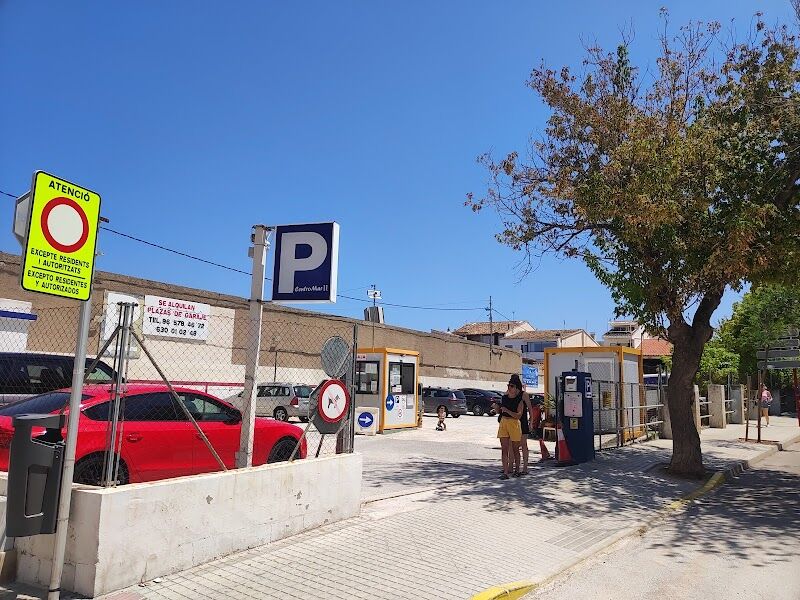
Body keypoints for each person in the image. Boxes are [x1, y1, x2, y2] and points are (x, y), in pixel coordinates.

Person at [495, 374, 525, 480]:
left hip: (514, 423)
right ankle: (506, 472)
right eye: (508, 385)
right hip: (504, 422)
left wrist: (507, 411)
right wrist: (497, 409)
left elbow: (518, 415)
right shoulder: (504, 398)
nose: (509, 387)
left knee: (516, 448)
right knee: (504, 448)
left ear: (516, 388)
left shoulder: (519, 400)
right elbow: (500, 411)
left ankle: (517, 470)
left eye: (512, 386)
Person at [529, 395, 552, 462]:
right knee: (540, 440)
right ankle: (545, 454)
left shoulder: (535, 409)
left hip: (536, 426)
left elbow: (533, 419)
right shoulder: (537, 409)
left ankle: (545, 454)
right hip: (537, 425)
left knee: (540, 440)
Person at [519, 390, 533, 474]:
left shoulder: (524, 395)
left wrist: (531, 422)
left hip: (523, 422)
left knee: (524, 444)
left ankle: (525, 467)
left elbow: (530, 409)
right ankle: (511, 466)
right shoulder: (509, 393)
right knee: (512, 445)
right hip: (513, 422)